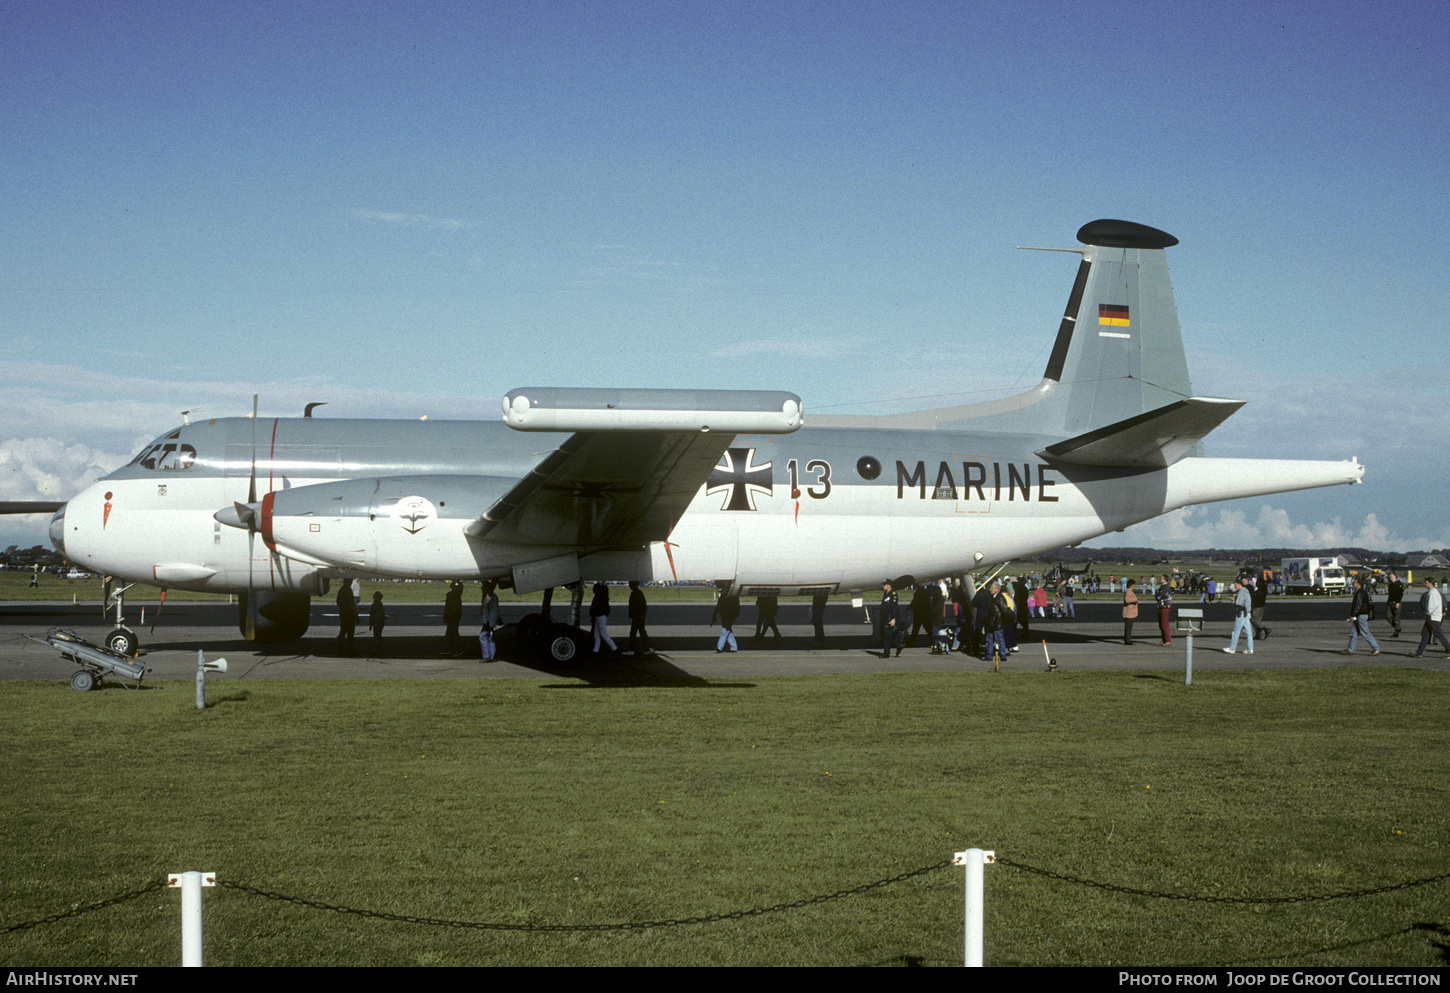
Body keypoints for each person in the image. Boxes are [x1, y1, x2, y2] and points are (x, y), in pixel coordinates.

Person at [1409, 578, 1450, 659]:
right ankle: (1419, 652)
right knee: (1425, 634)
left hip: (1433, 617)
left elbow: (1432, 606)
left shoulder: (1433, 593)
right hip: (1432, 616)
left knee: (1439, 634)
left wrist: (1428, 613)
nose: (1425, 584)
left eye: (1426, 583)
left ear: (1430, 583)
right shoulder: (1433, 592)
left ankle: (1449, 650)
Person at [1341, 577, 1380, 656]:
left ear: (1358, 584)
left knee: (1365, 633)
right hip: (1360, 615)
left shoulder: (1359, 593)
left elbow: (1358, 606)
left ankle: (1376, 648)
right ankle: (1350, 649)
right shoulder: (1362, 592)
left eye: (1354, 583)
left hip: (1360, 615)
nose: (1353, 584)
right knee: (1354, 633)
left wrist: (1353, 615)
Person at [1222, 578, 1254, 654]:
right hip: (1247, 613)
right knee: (1249, 632)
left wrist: (1233, 600)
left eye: (1235, 584)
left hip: (1241, 613)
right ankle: (1250, 648)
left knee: (1236, 631)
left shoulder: (1241, 591)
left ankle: (1232, 648)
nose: (1234, 586)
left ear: (1238, 584)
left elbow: (1238, 603)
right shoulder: (1246, 591)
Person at [589, 582, 618, 655]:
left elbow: (594, 608)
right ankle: (596, 650)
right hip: (601, 616)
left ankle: (614, 648)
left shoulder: (598, 598)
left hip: (599, 616)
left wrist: (593, 614)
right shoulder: (603, 598)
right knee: (599, 634)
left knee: (602, 634)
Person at [879, 579, 903, 658]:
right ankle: (898, 645)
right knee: (887, 634)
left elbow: (894, 607)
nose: (883, 586)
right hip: (884, 617)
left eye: (885, 584)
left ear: (889, 585)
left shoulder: (893, 594)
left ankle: (886, 653)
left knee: (886, 635)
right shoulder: (886, 593)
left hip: (889, 617)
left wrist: (893, 618)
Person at [627, 580, 653, 655]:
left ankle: (631, 650)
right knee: (642, 632)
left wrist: (633, 614)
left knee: (633, 633)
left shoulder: (635, 594)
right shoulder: (639, 593)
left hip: (637, 616)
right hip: (640, 616)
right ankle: (649, 647)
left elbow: (634, 606)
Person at [479, 580, 501, 662]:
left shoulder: (490, 597)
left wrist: (490, 623)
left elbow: (492, 610)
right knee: (490, 638)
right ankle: (492, 656)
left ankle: (486, 656)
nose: (481, 588)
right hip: (489, 621)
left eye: (483, 587)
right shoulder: (489, 596)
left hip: (488, 621)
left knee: (482, 636)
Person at [335, 578, 357, 656]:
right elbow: (351, 603)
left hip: (343, 612)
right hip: (349, 613)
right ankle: (350, 651)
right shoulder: (348, 590)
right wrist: (355, 614)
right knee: (350, 633)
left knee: (343, 631)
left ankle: (340, 650)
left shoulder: (341, 590)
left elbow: (338, 601)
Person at [443, 581, 464, 656]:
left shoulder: (453, 596)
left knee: (453, 633)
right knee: (450, 633)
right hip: (453, 617)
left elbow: (452, 608)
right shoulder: (456, 596)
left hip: (452, 617)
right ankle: (449, 648)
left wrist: (449, 617)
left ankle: (458, 649)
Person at [1250, 574, 1270, 640]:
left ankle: (1265, 629)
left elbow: (1256, 599)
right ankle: (1258, 635)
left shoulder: (1260, 592)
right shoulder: (1262, 590)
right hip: (1262, 606)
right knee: (1257, 621)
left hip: (1258, 607)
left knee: (1253, 620)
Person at [1386, 572, 1405, 638]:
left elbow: (1400, 594)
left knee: (1396, 617)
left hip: (1396, 602)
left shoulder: (1399, 584)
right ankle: (1397, 628)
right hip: (1390, 602)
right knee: (1388, 616)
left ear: (1395, 576)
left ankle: (1396, 632)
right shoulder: (1391, 584)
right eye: (1390, 576)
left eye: (1392, 576)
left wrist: (1398, 602)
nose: (1390, 577)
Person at [1156, 575, 1173, 646]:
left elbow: (1162, 595)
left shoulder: (1167, 587)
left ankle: (1168, 640)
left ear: (1165, 579)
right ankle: (1163, 640)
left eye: (1162, 578)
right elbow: (1157, 596)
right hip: (1160, 606)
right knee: (1161, 624)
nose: (1160, 579)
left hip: (1165, 606)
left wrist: (1159, 595)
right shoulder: (1161, 587)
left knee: (1165, 623)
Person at [1122, 578, 1138, 645]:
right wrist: (1134, 600)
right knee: (1128, 627)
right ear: (1132, 585)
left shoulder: (1130, 591)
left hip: (1130, 612)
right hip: (1129, 612)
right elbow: (1127, 600)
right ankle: (1128, 640)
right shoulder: (1129, 592)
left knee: (1129, 627)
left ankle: (1128, 639)